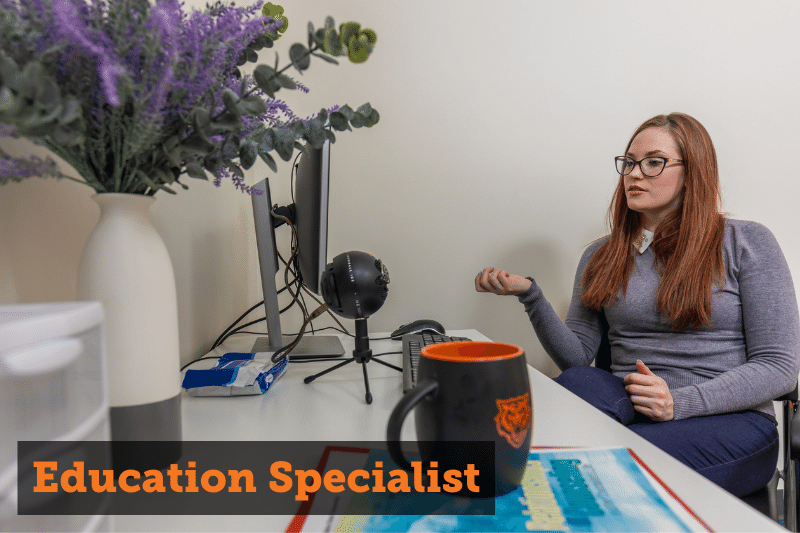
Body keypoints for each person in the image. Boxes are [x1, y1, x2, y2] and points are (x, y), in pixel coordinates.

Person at [475, 112, 800, 498]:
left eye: (653, 162)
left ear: (693, 171)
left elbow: (779, 367)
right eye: (628, 162)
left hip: (727, 419)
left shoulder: (746, 243)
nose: (634, 174)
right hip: (630, 407)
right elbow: (578, 359)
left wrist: (679, 402)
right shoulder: (602, 254)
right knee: (577, 385)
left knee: (606, 466)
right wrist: (531, 296)